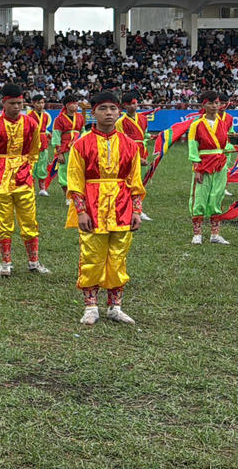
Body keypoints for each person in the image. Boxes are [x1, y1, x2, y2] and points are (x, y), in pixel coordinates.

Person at [67, 91, 145, 325]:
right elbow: (75, 180)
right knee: (91, 255)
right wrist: (80, 211)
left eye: (113, 108)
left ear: (119, 111)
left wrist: (137, 210)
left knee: (118, 257)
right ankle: (91, 306)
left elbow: (135, 180)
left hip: (122, 207)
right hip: (92, 207)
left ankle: (115, 306)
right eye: (103, 109)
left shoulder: (130, 145)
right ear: (93, 113)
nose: (108, 113)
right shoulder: (81, 144)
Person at [0, 84, 46, 277]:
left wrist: (28, 167)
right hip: (0, 179)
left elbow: (34, 150)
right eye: (12, 103)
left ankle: (33, 261)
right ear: (4, 103)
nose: (17, 107)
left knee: (29, 220)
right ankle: (5, 262)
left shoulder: (31, 124)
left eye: (20, 103)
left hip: (23, 177)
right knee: (3, 221)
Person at [188, 90, 234, 245]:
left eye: (217, 103)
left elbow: (225, 145)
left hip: (220, 164)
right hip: (204, 164)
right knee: (200, 197)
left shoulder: (222, 124)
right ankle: (197, 234)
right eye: (211, 103)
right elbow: (193, 147)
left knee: (217, 196)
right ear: (204, 105)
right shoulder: (196, 125)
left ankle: (215, 234)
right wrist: (197, 167)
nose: (215, 106)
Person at [51, 95, 85, 195]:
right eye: (73, 103)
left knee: (78, 169)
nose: (75, 105)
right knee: (64, 171)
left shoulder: (79, 117)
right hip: (65, 148)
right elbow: (56, 136)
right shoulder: (59, 119)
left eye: (76, 103)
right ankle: (67, 195)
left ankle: (78, 192)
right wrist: (59, 153)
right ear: (67, 105)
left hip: (78, 148)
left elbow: (82, 132)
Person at [28, 95, 53, 197]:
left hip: (43, 142)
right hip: (33, 143)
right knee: (32, 166)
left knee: (42, 165)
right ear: (33, 103)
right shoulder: (29, 116)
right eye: (38, 103)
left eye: (42, 103)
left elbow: (43, 129)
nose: (41, 105)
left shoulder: (46, 116)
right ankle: (31, 188)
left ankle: (42, 189)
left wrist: (47, 133)